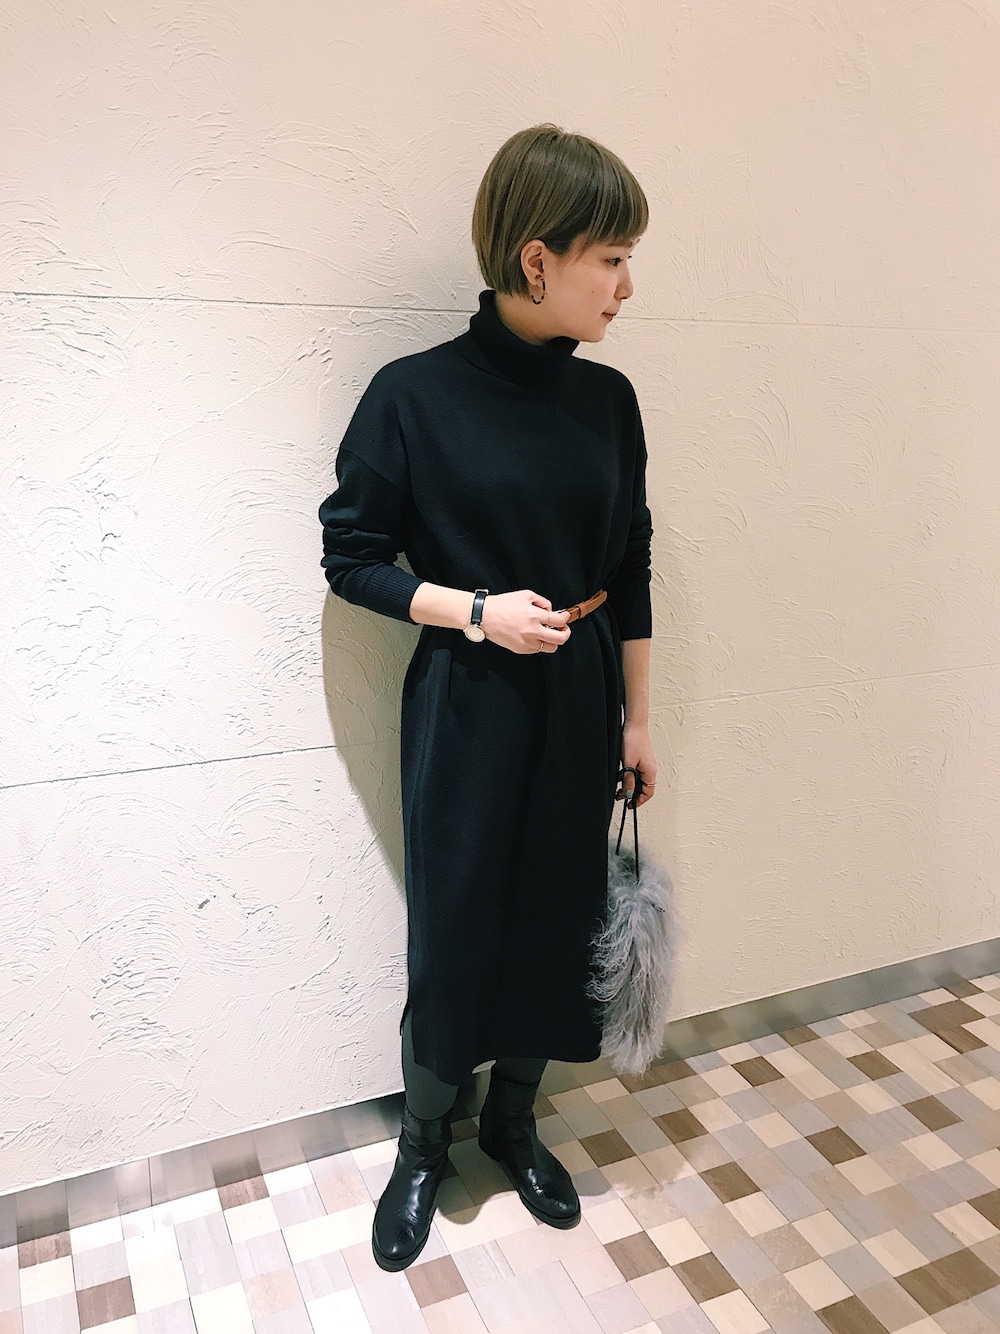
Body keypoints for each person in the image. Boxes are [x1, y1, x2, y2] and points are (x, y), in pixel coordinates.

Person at [318, 123, 656, 1272]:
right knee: (456, 924)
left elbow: (633, 563)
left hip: (579, 698)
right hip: (466, 703)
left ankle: (514, 1123)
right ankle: (423, 1144)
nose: (625, 285)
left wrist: (636, 717)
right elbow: (352, 558)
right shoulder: (413, 396)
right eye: (610, 257)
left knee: (562, 915)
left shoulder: (609, 401)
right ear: (535, 258)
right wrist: (474, 610)